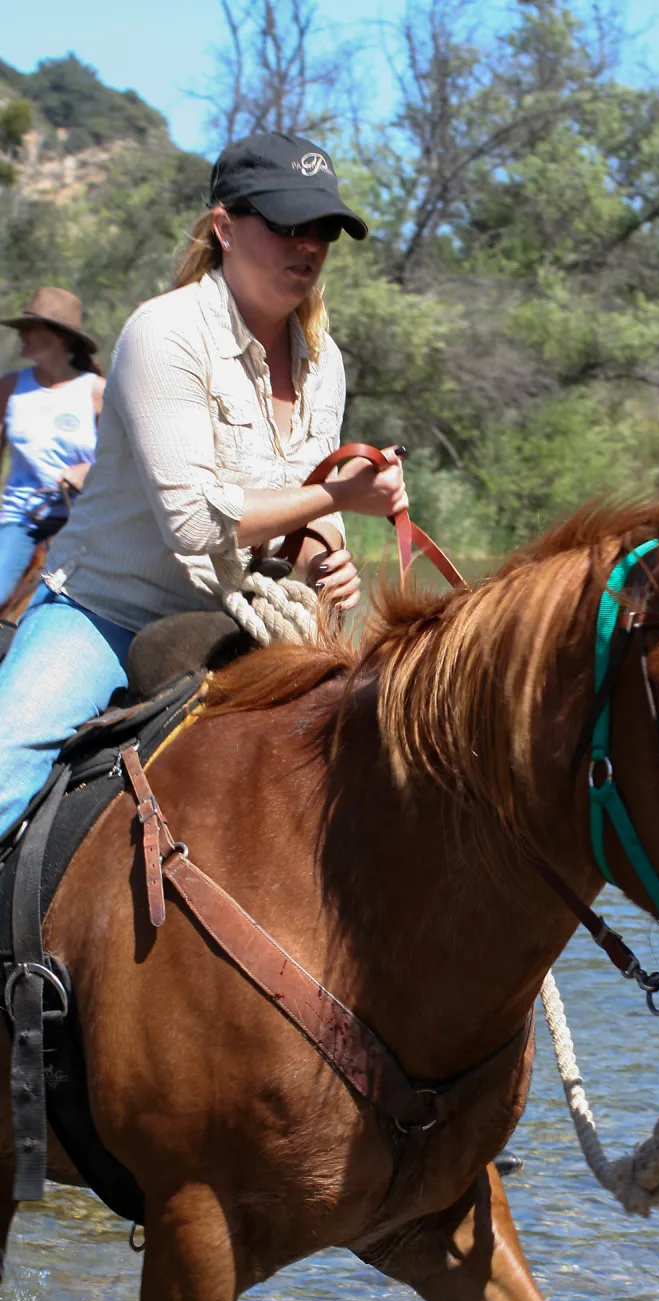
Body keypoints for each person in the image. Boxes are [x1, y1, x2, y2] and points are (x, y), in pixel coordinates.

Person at [0, 131, 408, 836]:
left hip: (240, 622)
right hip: (108, 613)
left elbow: (304, 505)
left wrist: (323, 555)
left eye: (321, 230)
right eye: (284, 224)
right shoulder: (165, 333)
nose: (307, 245)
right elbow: (194, 523)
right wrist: (338, 498)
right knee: (4, 768)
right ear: (224, 227)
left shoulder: (323, 361)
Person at [0, 287, 105, 607]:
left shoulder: (97, 392)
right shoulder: (10, 387)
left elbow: (123, 460)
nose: (23, 335)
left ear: (59, 338)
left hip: (84, 518)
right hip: (22, 518)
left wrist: (87, 471)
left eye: (31, 328)